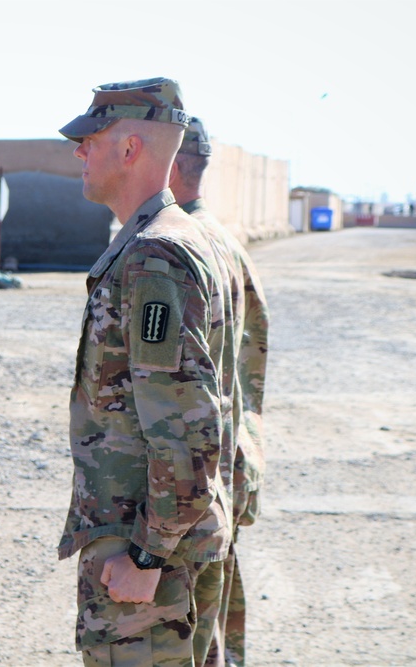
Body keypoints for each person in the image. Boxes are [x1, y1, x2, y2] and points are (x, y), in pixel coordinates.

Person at [56, 78, 235, 667]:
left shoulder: (155, 255)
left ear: (130, 148)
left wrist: (147, 557)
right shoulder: (170, 240)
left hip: (149, 559)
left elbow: (187, 424)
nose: (79, 152)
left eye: (90, 139)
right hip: (164, 546)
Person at [170, 117, 270, 667]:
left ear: (174, 164)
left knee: (189, 636)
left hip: (195, 486)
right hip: (228, 471)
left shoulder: (176, 248)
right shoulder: (230, 245)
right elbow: (252, 370)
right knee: (217, 630)